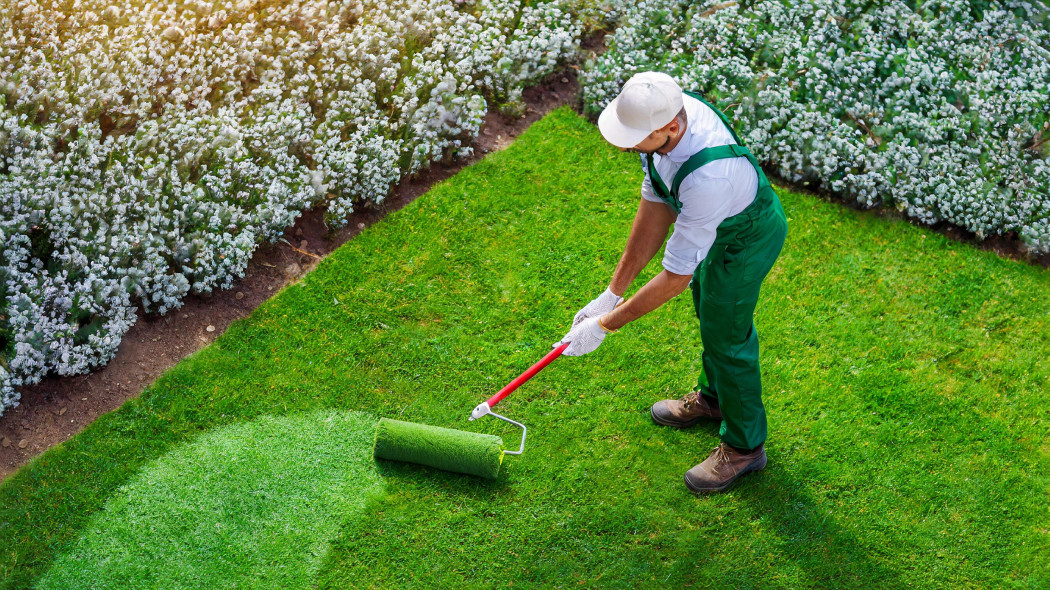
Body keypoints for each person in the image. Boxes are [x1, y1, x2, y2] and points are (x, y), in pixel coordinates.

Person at [557, 72, 788, 493]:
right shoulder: (663, 126)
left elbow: (675, 278)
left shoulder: (708, 177)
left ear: (672, 129)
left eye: (633, 138)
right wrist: (611, 294)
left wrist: (606, 326)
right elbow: (656, 204)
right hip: (719, 221)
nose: (626, 146)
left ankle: (745, 447)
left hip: (747, 236)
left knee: (728, 332)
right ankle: (715, 400)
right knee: (708, 306)